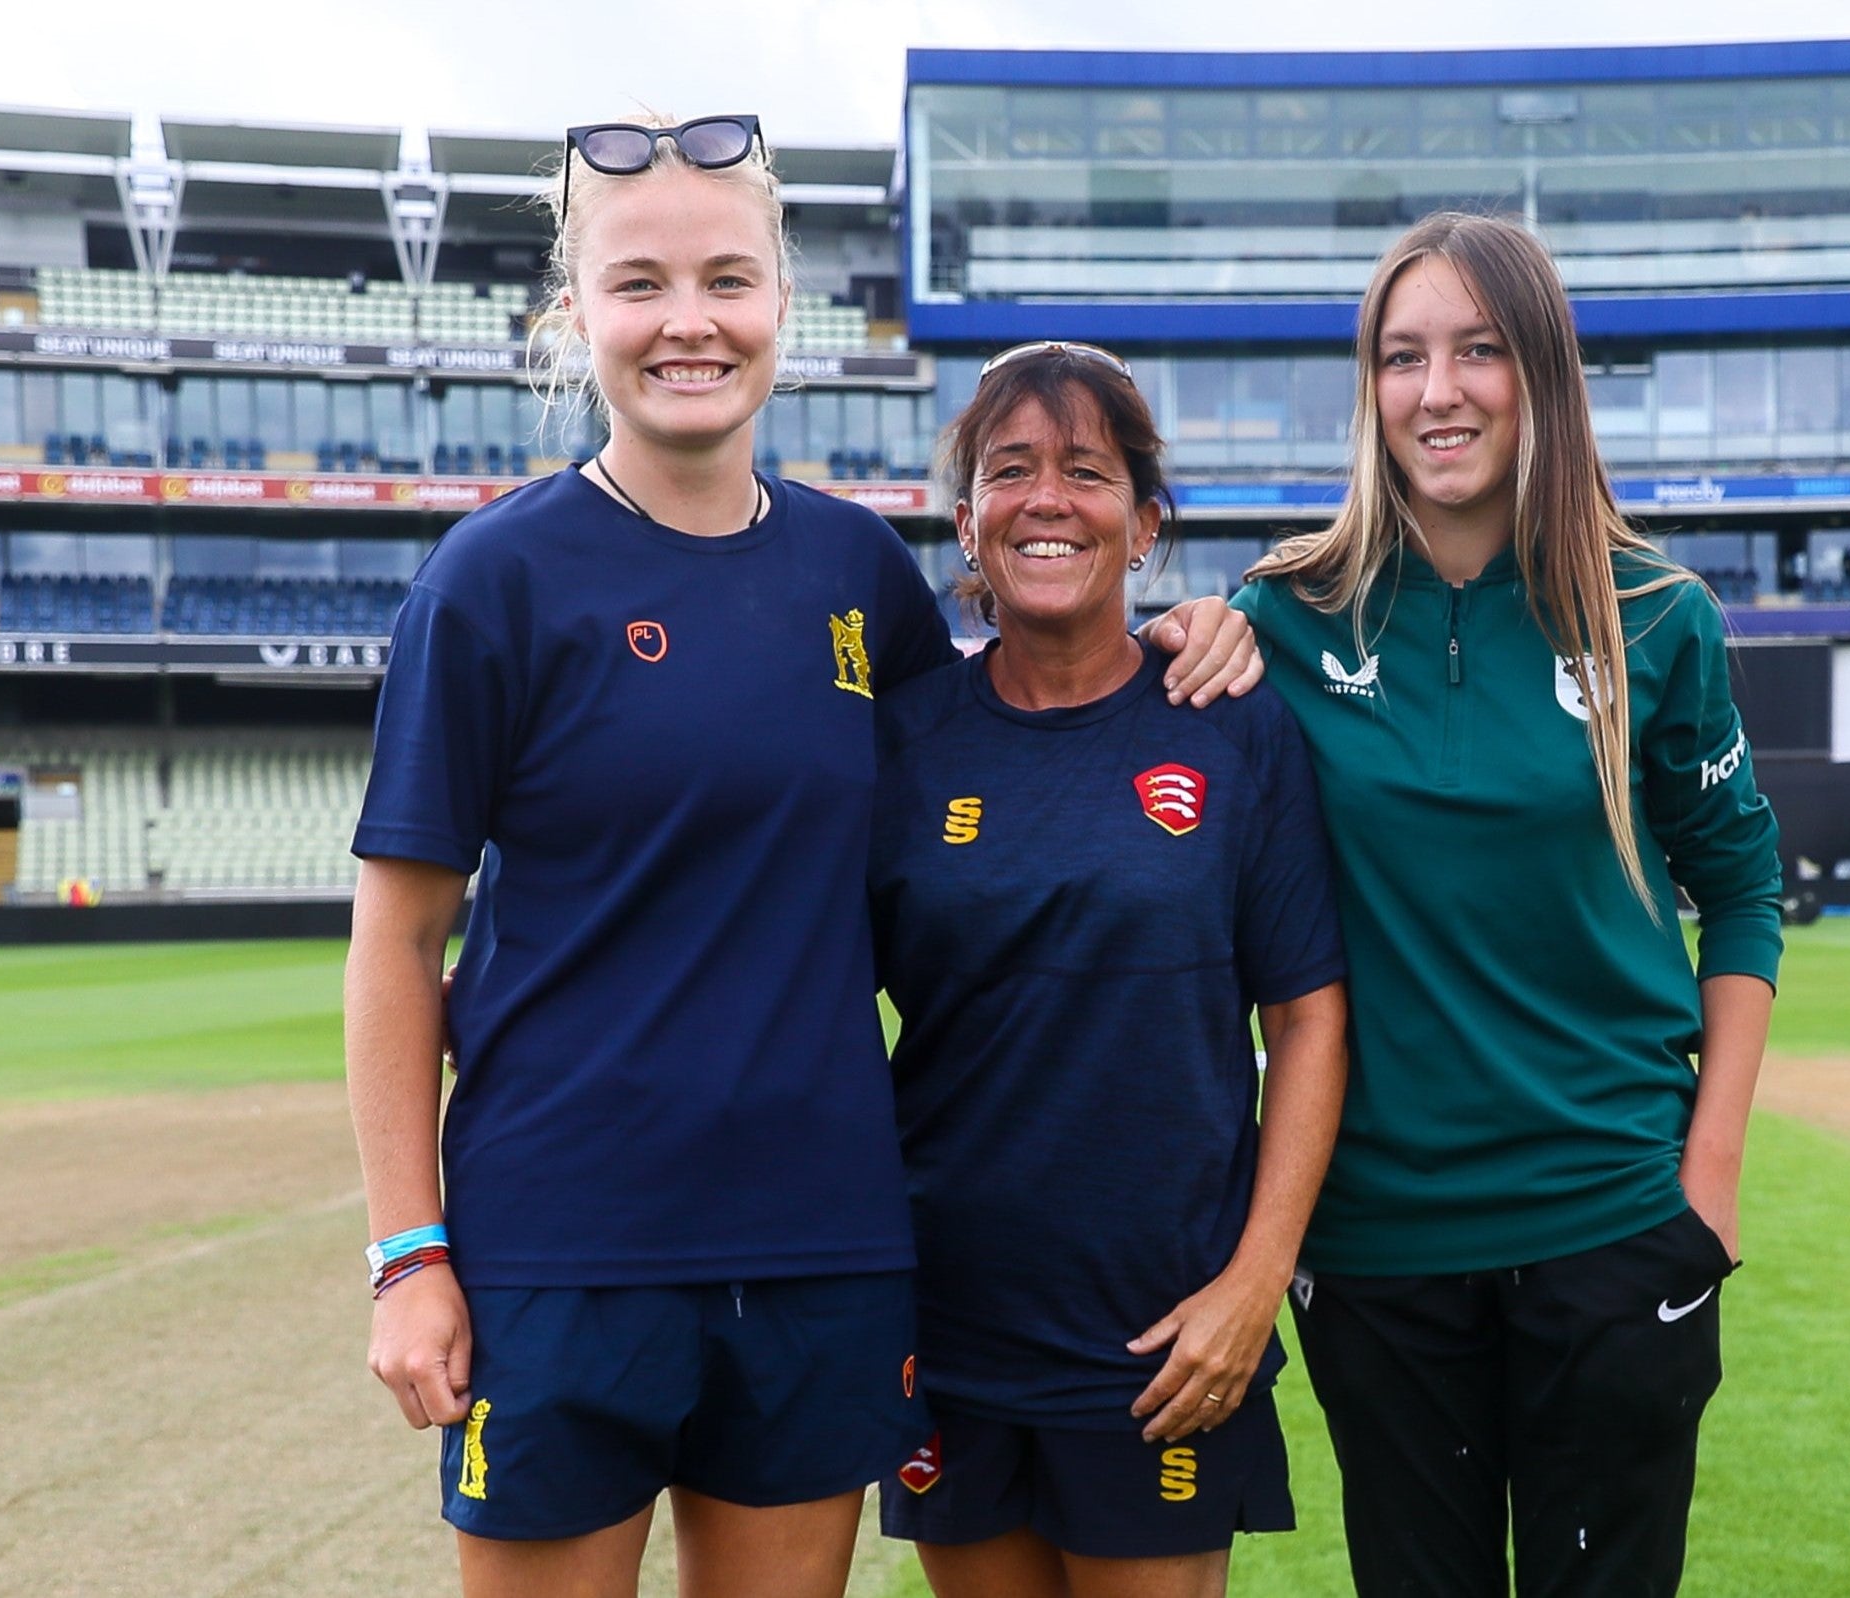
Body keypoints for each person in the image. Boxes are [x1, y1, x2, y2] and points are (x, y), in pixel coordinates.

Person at [343, 114, 1265, 1598]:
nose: (689, 322)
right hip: (563, 1245)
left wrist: (1189, 630)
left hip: (823, 1245)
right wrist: (409, 1253)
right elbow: (395, 943)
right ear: (576, 313)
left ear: (784, 302)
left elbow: (1021, 715)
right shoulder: (492, 581)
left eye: (727, 276)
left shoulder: (857, 578)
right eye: (640, 285)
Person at [1229, 212, 1782, 1598]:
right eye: (1403, 356)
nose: (1439, 389)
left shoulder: (1657, 615)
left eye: (1479, 349)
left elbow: (1743, 886)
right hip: (1378, 1250)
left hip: (1610, 1222)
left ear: (1541, 371)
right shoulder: (1283, 616)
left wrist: (1705, 1182)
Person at [867, 343, 1350, 1598]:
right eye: (1010, 469)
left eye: (1085, 471)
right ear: (967, 522)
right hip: (949, 1324)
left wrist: (1255, 1282)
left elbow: (1308, 1017)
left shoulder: (1233, 721)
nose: (1046, 499)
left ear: (1142, 524)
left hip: (1165, 1332)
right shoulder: (905, 739)